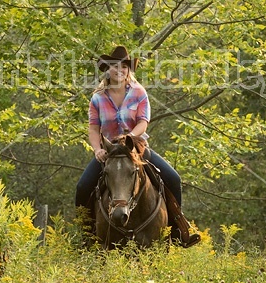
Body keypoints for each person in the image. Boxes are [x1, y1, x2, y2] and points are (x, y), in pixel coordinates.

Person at [75, 45, 201, 248]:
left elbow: (143, 121)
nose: (120, 70)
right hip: (110, 152)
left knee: (173, 178)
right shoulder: (97, 98)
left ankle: (177, 231)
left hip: (137, 147)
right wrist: (97, 149)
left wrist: (130, 138)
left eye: (124, 67)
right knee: (82, 187)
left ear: (128, 71)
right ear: (107, 70)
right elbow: (93, 128)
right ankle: (85, 234)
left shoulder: (139, 92)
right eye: (115, 67)